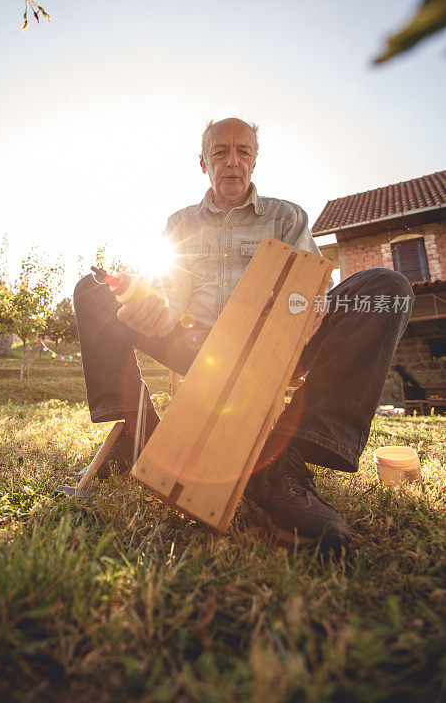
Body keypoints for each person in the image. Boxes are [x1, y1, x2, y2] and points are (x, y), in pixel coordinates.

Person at [74, 117, 413, 549]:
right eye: (220, 152)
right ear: (203, 163)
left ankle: (286, 460)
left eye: (243, 152)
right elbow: (172, 295)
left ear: (254, 161)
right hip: (199, 346)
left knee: (388, 287)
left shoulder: (286, 216)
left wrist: (307, 309)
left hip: (280, 344)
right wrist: (155, 313)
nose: (232, 161)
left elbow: (313, 285)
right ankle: (142, 435)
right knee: (92, 291)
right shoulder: (180, 222)